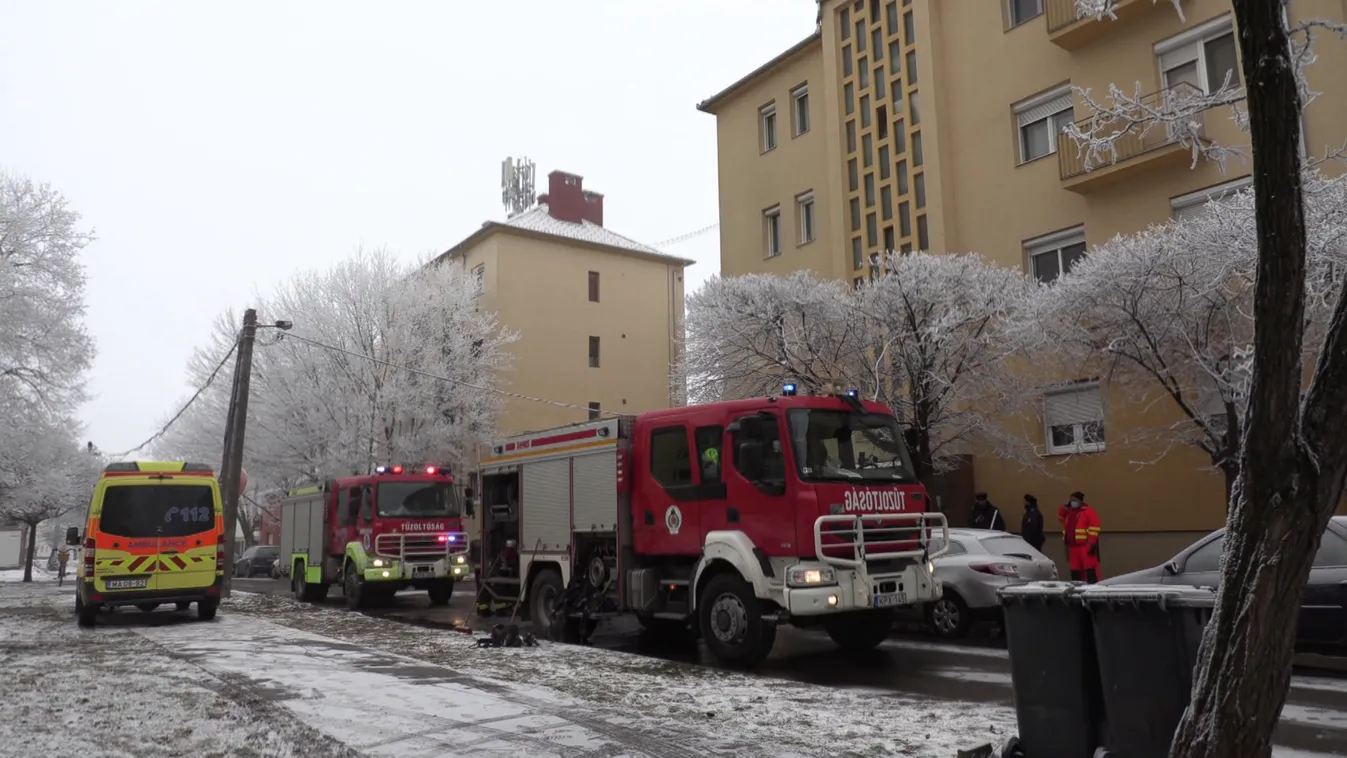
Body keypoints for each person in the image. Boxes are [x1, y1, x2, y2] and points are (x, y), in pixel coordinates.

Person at [1060, 491, 1102, 583]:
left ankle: (1094, 587)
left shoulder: (1088, 511)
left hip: (1085, 545)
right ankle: (1078, 588)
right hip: (1073, 546)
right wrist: (1064, 508)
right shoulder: (1070, 512)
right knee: (1075, 569)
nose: (1072, 502)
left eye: (1074, 500)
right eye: (1071, 500)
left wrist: (1091, 543)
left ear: (1080, 501)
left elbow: (1095, 527)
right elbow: (1060, 517)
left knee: (1089, 567)